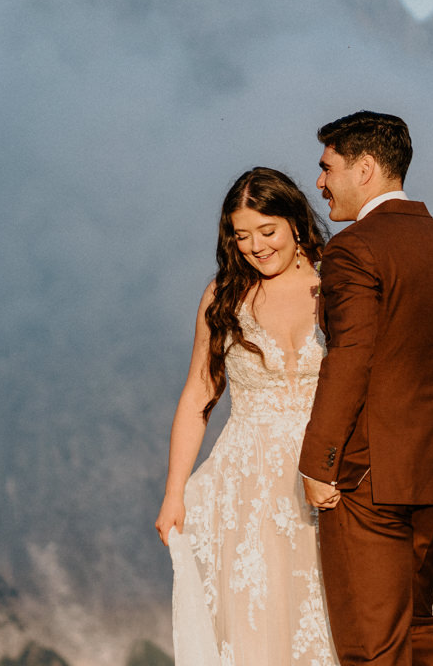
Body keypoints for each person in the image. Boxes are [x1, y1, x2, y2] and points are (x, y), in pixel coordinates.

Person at [299, 111, 433, 666]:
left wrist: (319, 463)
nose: (319, 182)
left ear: (364, 169)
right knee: (421, 629)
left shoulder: (354, 249)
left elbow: (352, 358)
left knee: (372, 648)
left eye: (327, 167)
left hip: (367, 479)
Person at [156, 166, 337, 666]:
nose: (256, 246)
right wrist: (174, 493)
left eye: (267, 231)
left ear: (295, 223)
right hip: (246, 491)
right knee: (257, 631)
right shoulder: (224, 295)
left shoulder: (336, 281)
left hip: (325, 475)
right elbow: (198, 393)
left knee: (333, 620)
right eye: (241, 236)